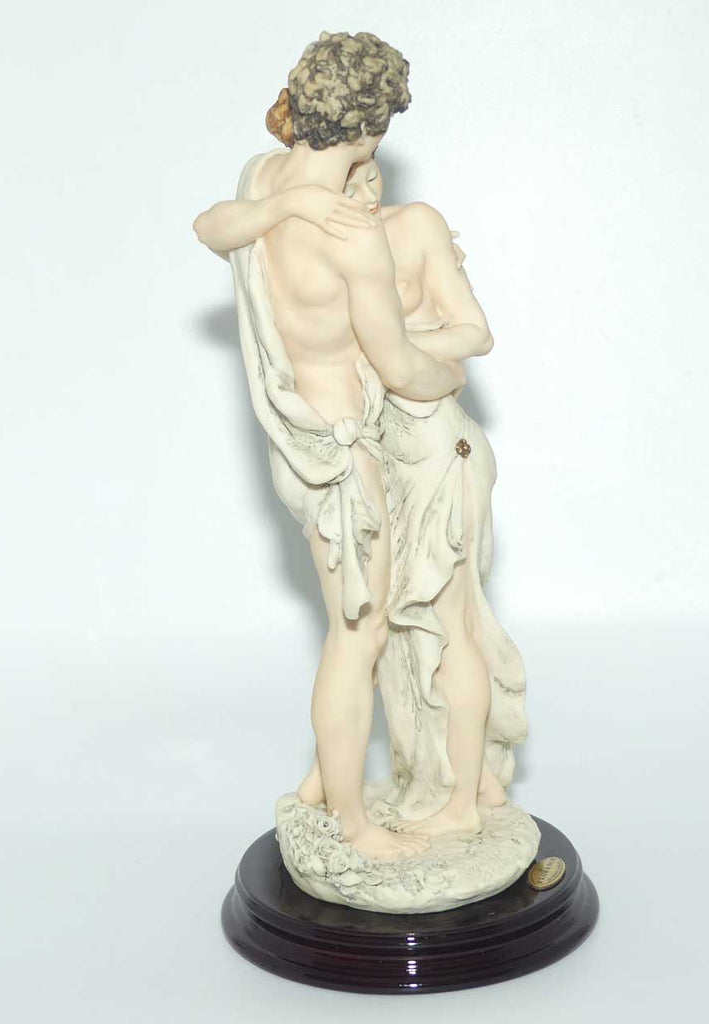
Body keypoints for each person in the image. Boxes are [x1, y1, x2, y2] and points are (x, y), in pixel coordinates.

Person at [201, 151, 529, 839]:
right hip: (391, 451)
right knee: (392, 628)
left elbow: (473, 334)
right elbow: (214, 226)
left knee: (450, 625)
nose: (364, 193)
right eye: (346, 187)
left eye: (372, 174)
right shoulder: (336, 235)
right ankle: (441, 780)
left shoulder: (413, 225)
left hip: (438, 446)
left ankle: (468, 801)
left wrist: (406, 349)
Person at [194, 32, 464, 860]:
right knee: (361, 633)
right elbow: (401, 366)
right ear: (373, 128)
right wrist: (454, 366)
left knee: (354, 623)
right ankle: (352, 822)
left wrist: (286, 206)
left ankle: (321, 783)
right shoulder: (351, 234)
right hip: (341, 454)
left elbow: (210, 227)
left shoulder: (263, 180)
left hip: (292, 439)